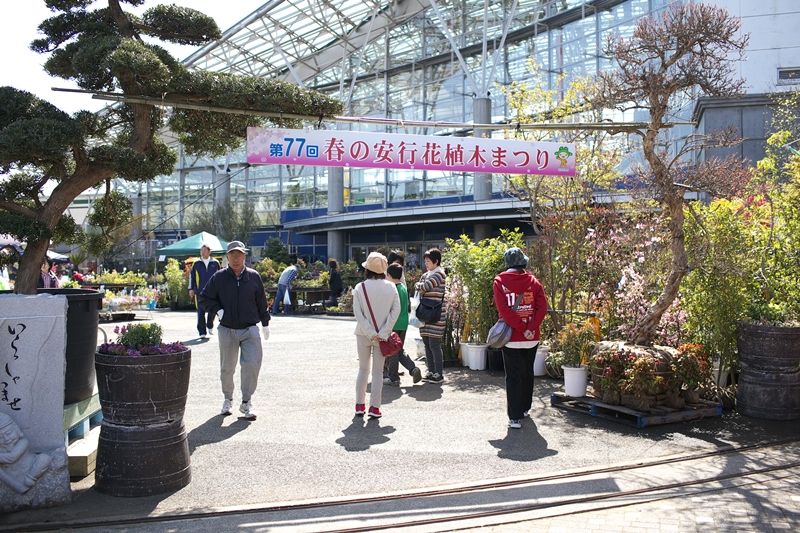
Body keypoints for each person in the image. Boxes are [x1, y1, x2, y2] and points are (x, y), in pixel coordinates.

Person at [198, 240, 271, 420]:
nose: (236, 259)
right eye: (232, 255)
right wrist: (218, 310)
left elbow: (261, 302)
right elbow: (205, 298)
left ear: (245, 256)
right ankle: (227, 399)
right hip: (227, 329)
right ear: (227, 257)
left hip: (249, 329)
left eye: (239, 255)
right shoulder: (219, 277)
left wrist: (266, 323)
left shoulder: (253, 277)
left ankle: (246, 402)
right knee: (227, 368)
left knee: (251, 365)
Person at [493, 247, 548, 429]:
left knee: (513, 376)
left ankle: (514, 418)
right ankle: (525, 408)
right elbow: (542, 308)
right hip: (531, 337)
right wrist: (530, 328)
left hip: (511, 336)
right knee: (527, 373)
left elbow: (504, 311)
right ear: (522, 262)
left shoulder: (500, 282)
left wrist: (521, 328)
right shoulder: (534, 282)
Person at [352, 252, 401, 419]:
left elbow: (357, 313)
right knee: (378, 372)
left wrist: (370, 332)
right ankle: (375, 407)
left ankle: (359, 405)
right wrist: (384, 332)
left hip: (363, 334)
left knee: (363, 369)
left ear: (367, 269)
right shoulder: (391, 287)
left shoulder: (360, 287)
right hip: (382, 337)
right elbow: (396, 311)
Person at [384, 263, 422, 386]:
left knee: (393, 350)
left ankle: (394, 377)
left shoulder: (391, 289)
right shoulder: (403, 288)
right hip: (403, 323)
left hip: (393, 323)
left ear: (389, 275)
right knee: (398, 349)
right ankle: (413, 369)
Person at [414, 248, 447, 383]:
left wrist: (418, 285)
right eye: (425, 261)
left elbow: (426, 286)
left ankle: (439, 373)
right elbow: (420, 287)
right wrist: (419, 285)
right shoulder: (426, 274)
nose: (426, 263)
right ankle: (431, 371)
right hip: (425, 313)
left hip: (436, 314)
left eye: (428, 261)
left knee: (434, 343)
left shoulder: (439, 274)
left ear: (436, 261)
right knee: (426, 342)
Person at [188, 243, 221, 338]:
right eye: (201, 250)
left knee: (213, 310)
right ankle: (202, 332)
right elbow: (192, 277)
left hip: (213, 291)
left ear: (209, 252)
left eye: (204, 250)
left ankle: (210, 325)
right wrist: (191, 288)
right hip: (200, 292)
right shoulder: (196, 263)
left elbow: (219, 276)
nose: (202, 252)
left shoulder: (215, 263)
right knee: (200, 312)